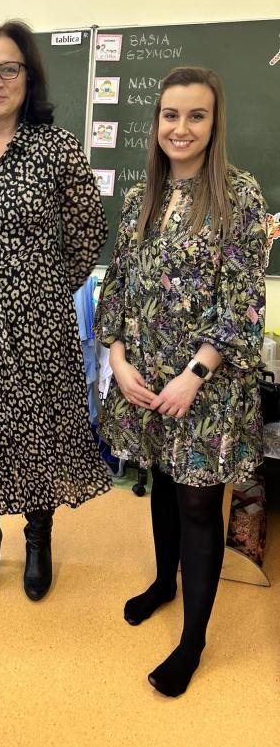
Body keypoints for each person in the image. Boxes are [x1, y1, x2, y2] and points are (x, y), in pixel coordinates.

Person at [94, 66, 267, 696]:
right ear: (157, 121)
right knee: (162, 485)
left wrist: (193, 376)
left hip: (206, 387)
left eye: (196, 115)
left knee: (197, 503)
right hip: (144, 380)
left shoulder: (239, 196)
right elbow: (117, 284)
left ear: (214, 123)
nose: (182, 128)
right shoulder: (143, 195)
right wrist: (117, 360)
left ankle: (193, 641)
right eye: (171, 115)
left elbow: (244, 303)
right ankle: (164, 583)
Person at [0, 20, 110, 602]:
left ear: (28, 77)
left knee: (37, 425)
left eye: (8, 68)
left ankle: (38, 539)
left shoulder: (56, 147)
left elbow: (88, 229)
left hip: (39, 319)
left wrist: (45, 286)